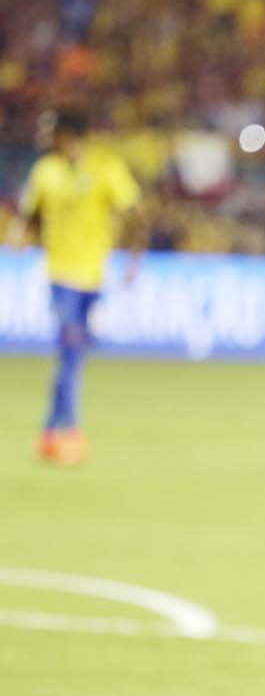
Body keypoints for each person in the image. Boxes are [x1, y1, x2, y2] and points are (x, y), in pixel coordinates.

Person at [13, 108, 144, 465]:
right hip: (59, 275)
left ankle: (46, 433)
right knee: (70, 347)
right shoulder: (45, 171)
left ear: (68, 135)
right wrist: (23, 237)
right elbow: (30, 215)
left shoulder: (104, 168)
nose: (45, 140)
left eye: (51, 132)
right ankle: (71, 433)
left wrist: (134, 260)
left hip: (94, 276)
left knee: (74, 355)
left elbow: (135, 212)